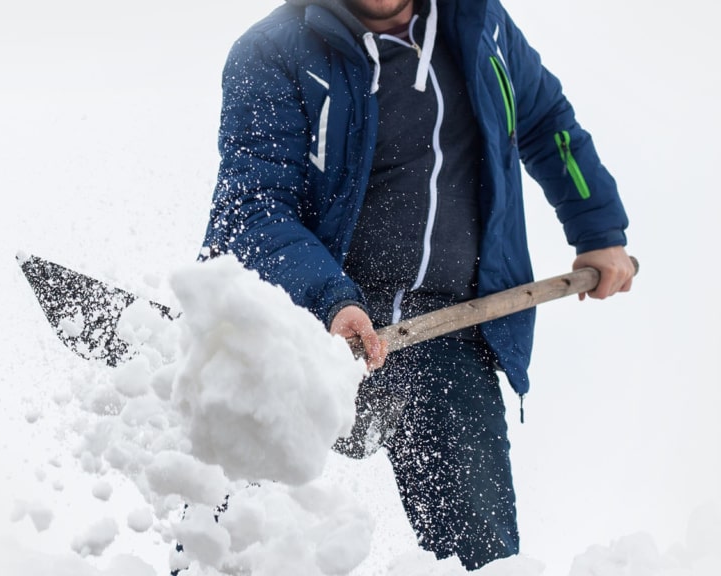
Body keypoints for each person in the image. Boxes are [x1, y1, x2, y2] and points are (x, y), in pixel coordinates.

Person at [198, 0, 636, 571]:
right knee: (239, 535)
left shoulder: (480, 24)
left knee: (484, 556)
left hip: (449, 331)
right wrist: (332, 302)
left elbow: (545, 121)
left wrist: (598, 227)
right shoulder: (276, 52)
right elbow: (251, 211)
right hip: (315, 341)